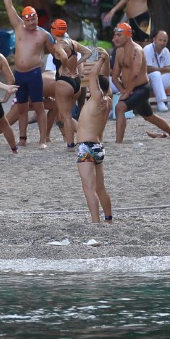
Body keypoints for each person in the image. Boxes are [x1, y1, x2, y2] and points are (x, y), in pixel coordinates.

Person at [0, 0, 55, 147]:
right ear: (23, 19)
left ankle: (43, 139)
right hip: (20, 74)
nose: (32, 22)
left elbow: (56, 52)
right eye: (28, 19)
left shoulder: (43, 34)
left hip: (34, 73)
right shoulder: (18, 27)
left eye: (34, 19)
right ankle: (22, 138)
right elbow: (9, 6)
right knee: (22, 107)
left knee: (38, 106)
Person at [111, 23, 170, 141]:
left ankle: (118, 143)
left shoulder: (137, 50)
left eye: (119, 35)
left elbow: (135, 74)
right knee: (149, 116)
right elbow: (115, 77)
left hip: (142, 88)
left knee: (120, 107)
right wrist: (123, 90)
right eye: (115, 35)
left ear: (128, 36)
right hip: (129, 90)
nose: (115, 38)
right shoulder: (119, 52)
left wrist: (127, 92)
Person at [73, 50, 114, 224]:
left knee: (88, 188)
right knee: (100, 187)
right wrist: (107, 64)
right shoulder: (107, 102)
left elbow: (93, 74)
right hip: (98, 146)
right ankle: (109, 219)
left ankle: (95, 221)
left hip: (86, 147)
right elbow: (103, 78)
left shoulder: (96, 99)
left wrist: (103, 59)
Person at [144, 30, 170, 110]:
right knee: (156, 74)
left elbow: (169, 66)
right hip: (147, 81)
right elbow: (147, 69)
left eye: (164, 41)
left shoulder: (165, 51)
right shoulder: (147, 49)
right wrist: (168, 69)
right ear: (154, 39)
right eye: (160, 40)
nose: (162, 43)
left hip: (159, 79)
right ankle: (161, 102)